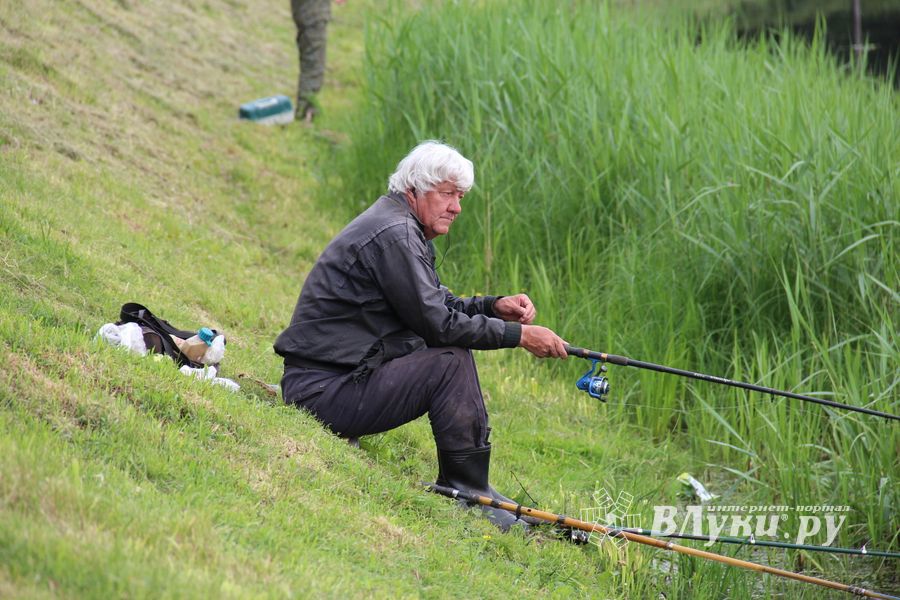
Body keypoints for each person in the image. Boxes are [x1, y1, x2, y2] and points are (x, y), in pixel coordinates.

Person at [274, 141, 568, 530]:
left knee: (451, 356)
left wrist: (492, 307)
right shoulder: (395, 234)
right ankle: (467, 491)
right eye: (447, 194)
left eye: (460, 196)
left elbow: (437, 305)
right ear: (415, 189)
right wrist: (519, 335)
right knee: (450, 361)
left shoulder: (399, 226)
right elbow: (438, 325)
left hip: (333, 382)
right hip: (321, 393)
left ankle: (474, 487)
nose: (457, 207)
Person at [290, 0, 345, 122]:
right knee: (313, 61)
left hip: (306, 9)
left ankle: (306, 110)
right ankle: (307, 113)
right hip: (313, 9)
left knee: (310, 56)